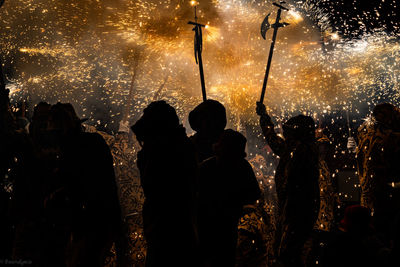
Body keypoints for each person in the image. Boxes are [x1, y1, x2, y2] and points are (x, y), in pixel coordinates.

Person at [131, 100, 199, 267]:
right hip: (175, 223)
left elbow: (153, 185)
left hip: (169, 223)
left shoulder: (166, 150)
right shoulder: (182, 146)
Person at [256, 102, 319, 267]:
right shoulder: (294, 149)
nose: (285, 134)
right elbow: (273, 139)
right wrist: (264, 117)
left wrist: (264, 117)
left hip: (299, 211)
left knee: (290, 253)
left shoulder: (303, 152)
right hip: (291, 209)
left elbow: (277, 143)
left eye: (289, 131)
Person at [197, 129, 261, 267]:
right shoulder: (242, 166)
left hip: (208, 225)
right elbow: (254, 194)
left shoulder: (206, 167)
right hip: (226, 223)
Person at [356, 103, 400, 239]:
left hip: (367, 187)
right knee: (385, 229)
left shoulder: (364, 132)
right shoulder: (392, 138)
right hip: (386, 190)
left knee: (368, 225)